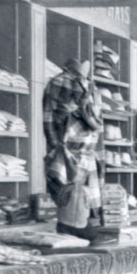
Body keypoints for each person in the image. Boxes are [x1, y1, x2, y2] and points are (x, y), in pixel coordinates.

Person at [42, 58, 104, 239]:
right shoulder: (61, 82)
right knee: (71, 197)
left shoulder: (91, 87)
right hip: (71, 151)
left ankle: (78, 225)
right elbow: (50, 121)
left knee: (80, 199)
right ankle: (73, 227)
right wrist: (57, 148)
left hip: (83, 152)